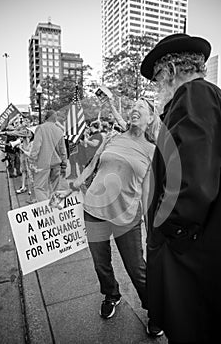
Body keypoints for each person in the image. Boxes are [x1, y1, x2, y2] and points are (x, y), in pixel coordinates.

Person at [140, 33, 221, 344]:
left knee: (190, 326)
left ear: (171, 70)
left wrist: (164, 232)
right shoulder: (207, 96)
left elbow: (190, 182)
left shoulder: (194, 96)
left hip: (189, 255)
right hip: (199, 247)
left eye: (159, 77)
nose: (158, 86)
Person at [72, 98, 162, 336]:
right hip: (93, 209)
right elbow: (92, 165)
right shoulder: (113, 138)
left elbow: (148, 189)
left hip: (127, 217)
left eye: (141, 107)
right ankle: (111, 294)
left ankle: (155, 310)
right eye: (133, 106)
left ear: (151, 118)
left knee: (137, 269)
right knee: (101, 263)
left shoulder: (153, 150)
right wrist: (73, 185)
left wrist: (147, 221)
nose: (135, 109)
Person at [29, 109, 68, 202]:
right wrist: (64, 164)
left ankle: (45, 209)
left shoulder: (41, 128)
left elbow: (36, 147)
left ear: (45, 118)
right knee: (55, 188)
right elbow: (63, 150)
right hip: (56, 164)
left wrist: (31, 161)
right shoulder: (59, 130)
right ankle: (53, 209)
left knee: (40, 188)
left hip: (42, 164)